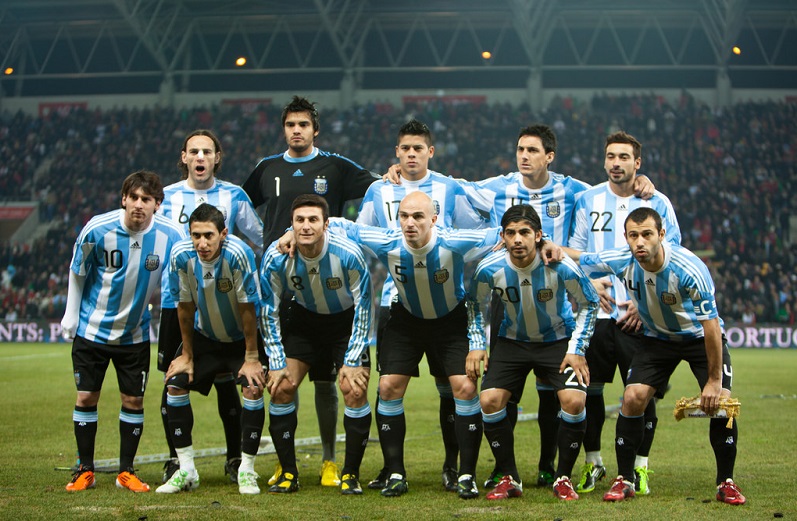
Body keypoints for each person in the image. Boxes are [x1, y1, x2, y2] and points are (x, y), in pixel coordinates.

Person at [457, 124, 653, 488]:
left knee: (553, 391)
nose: (524, 156)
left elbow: (610, 193)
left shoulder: (573, 189)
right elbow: (452, 187)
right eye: (520, 149)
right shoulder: (498, 187)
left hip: (556, 289)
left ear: (549, 156)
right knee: (502, 392)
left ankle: (550, 465)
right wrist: (395, 176)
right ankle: (503, 468)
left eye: (532, 150)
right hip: (509, 296)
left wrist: (640, 184)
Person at [319, 191, 502, 499]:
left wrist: (546, 243)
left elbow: (505, 232)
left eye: (418, 216)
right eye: (403, 216)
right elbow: (340, 225)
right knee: (388, 386)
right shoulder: (388, 242)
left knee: (465, 387)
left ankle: (466, 474)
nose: (409, 223)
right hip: (406, 320)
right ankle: (395, 473)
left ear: (434, 219)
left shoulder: (454, 241)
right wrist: (289, 233)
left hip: (451, 320)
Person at [242, 96, 381, 487]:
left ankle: (332, 462)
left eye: (303, 124)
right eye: (290, 125)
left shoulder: (334, 166)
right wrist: (265, 239)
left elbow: (377, 188)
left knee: (331, 383)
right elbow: (240, 206)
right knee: (282, 381)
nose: (297, 130)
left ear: (315, 129)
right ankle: (285, 465)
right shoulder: (267, 168)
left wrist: (351, 226)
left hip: (333, 290)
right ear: (283, 129)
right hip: (290, 284)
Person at [570, 207, 746, 505]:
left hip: (698, 338)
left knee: (721, 404)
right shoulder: (622, 259)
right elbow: (579, 257)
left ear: (661, 235)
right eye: (633, 235)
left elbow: (711, 328)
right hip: (657, 339)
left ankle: (726, 482)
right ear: (626, 237)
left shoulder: (689, 268)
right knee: (633, 397)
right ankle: (625, 479)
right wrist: (548, 247)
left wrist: (714, 380)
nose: (640, 242)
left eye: (647, 234)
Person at [357, 119, 486, 492]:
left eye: (418, 148)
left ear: (430, 152)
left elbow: (472, 234)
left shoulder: (449, 188)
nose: (411, 155)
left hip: (447, 300)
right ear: (396, 152)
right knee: (389, 384)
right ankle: (392, 469)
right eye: (405, 149)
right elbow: (362, 235)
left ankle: (454, 467)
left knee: (452, 385)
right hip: (397, 300)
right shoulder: (379, 189)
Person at [568, 131, 681, 495]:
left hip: (640, 318)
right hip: (597, 316)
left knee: (641, 395)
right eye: (611, 156)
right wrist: (590, 283)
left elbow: (673, 257)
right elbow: (574, 252)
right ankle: (594, 462)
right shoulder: (588, 199)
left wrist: (645, 301)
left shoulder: (657, 202)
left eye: (624, 157)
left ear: (637, 163)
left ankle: (640, 468)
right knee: (590, 391)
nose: (616, 163)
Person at [61, 170, 185, 493]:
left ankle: (125, 472)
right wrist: (70, 314)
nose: (139, 205)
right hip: (92, 331)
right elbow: (77, 270)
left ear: (157, 204)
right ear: (124, 199)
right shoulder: (97, 229)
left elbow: (187, 272)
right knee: (86, 396)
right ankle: (85, 470)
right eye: (134, 198)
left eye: (147, 199)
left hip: (135, 335)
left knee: (133, 400)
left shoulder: (171, 235)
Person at [467, 204, 599, 501]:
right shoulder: (489, 268)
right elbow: (474, 304)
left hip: (558, 341)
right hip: (512, 341)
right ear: (502, 236)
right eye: (511, 233)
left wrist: (577, 349)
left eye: (525, 232)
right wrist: (476, 344)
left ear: (538, 235)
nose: (517, 239)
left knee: (574, 401)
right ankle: (509, 477)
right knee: (489, 400)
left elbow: (589, 302)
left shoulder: (560, 265)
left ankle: (563, 478)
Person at [157, 129, 264, 484]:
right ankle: (176, 461)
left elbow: (261, 237)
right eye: (194, 151)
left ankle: (235, 458)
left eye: (207, 151)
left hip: (224, 299)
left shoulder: (234, 195)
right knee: (174, 378)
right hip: (177, 301)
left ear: (217, 158)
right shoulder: (167, 197)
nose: (200, 157)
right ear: (184, 157)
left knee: (227, 382)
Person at [260, 194, 373, 496]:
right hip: (304, 322)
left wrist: (353, 359)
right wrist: (276, 360)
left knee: (354, 390)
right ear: (291, 225)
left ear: (326, 225)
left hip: (345, 324)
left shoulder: (348, 254)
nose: (306, 226)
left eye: (313, 220)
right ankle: (288, 473)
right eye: (300, 220)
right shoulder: (276, 257)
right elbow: (268, 310)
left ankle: (350, 474)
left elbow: (364, 307)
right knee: (281, 387)